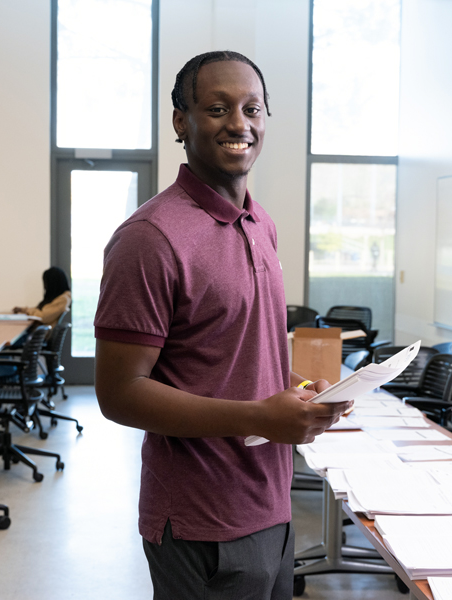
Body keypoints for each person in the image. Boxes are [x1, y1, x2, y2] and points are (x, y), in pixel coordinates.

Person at [93, 50, 351, 600]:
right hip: (202, 521)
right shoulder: (149, 239)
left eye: (252, 109)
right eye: (217, 108)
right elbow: (119, 394)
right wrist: (258, 416)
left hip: (273, 506)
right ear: (181, 122)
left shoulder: (262, 223)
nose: (239, 123)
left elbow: (240, 356)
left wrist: (304, 392)